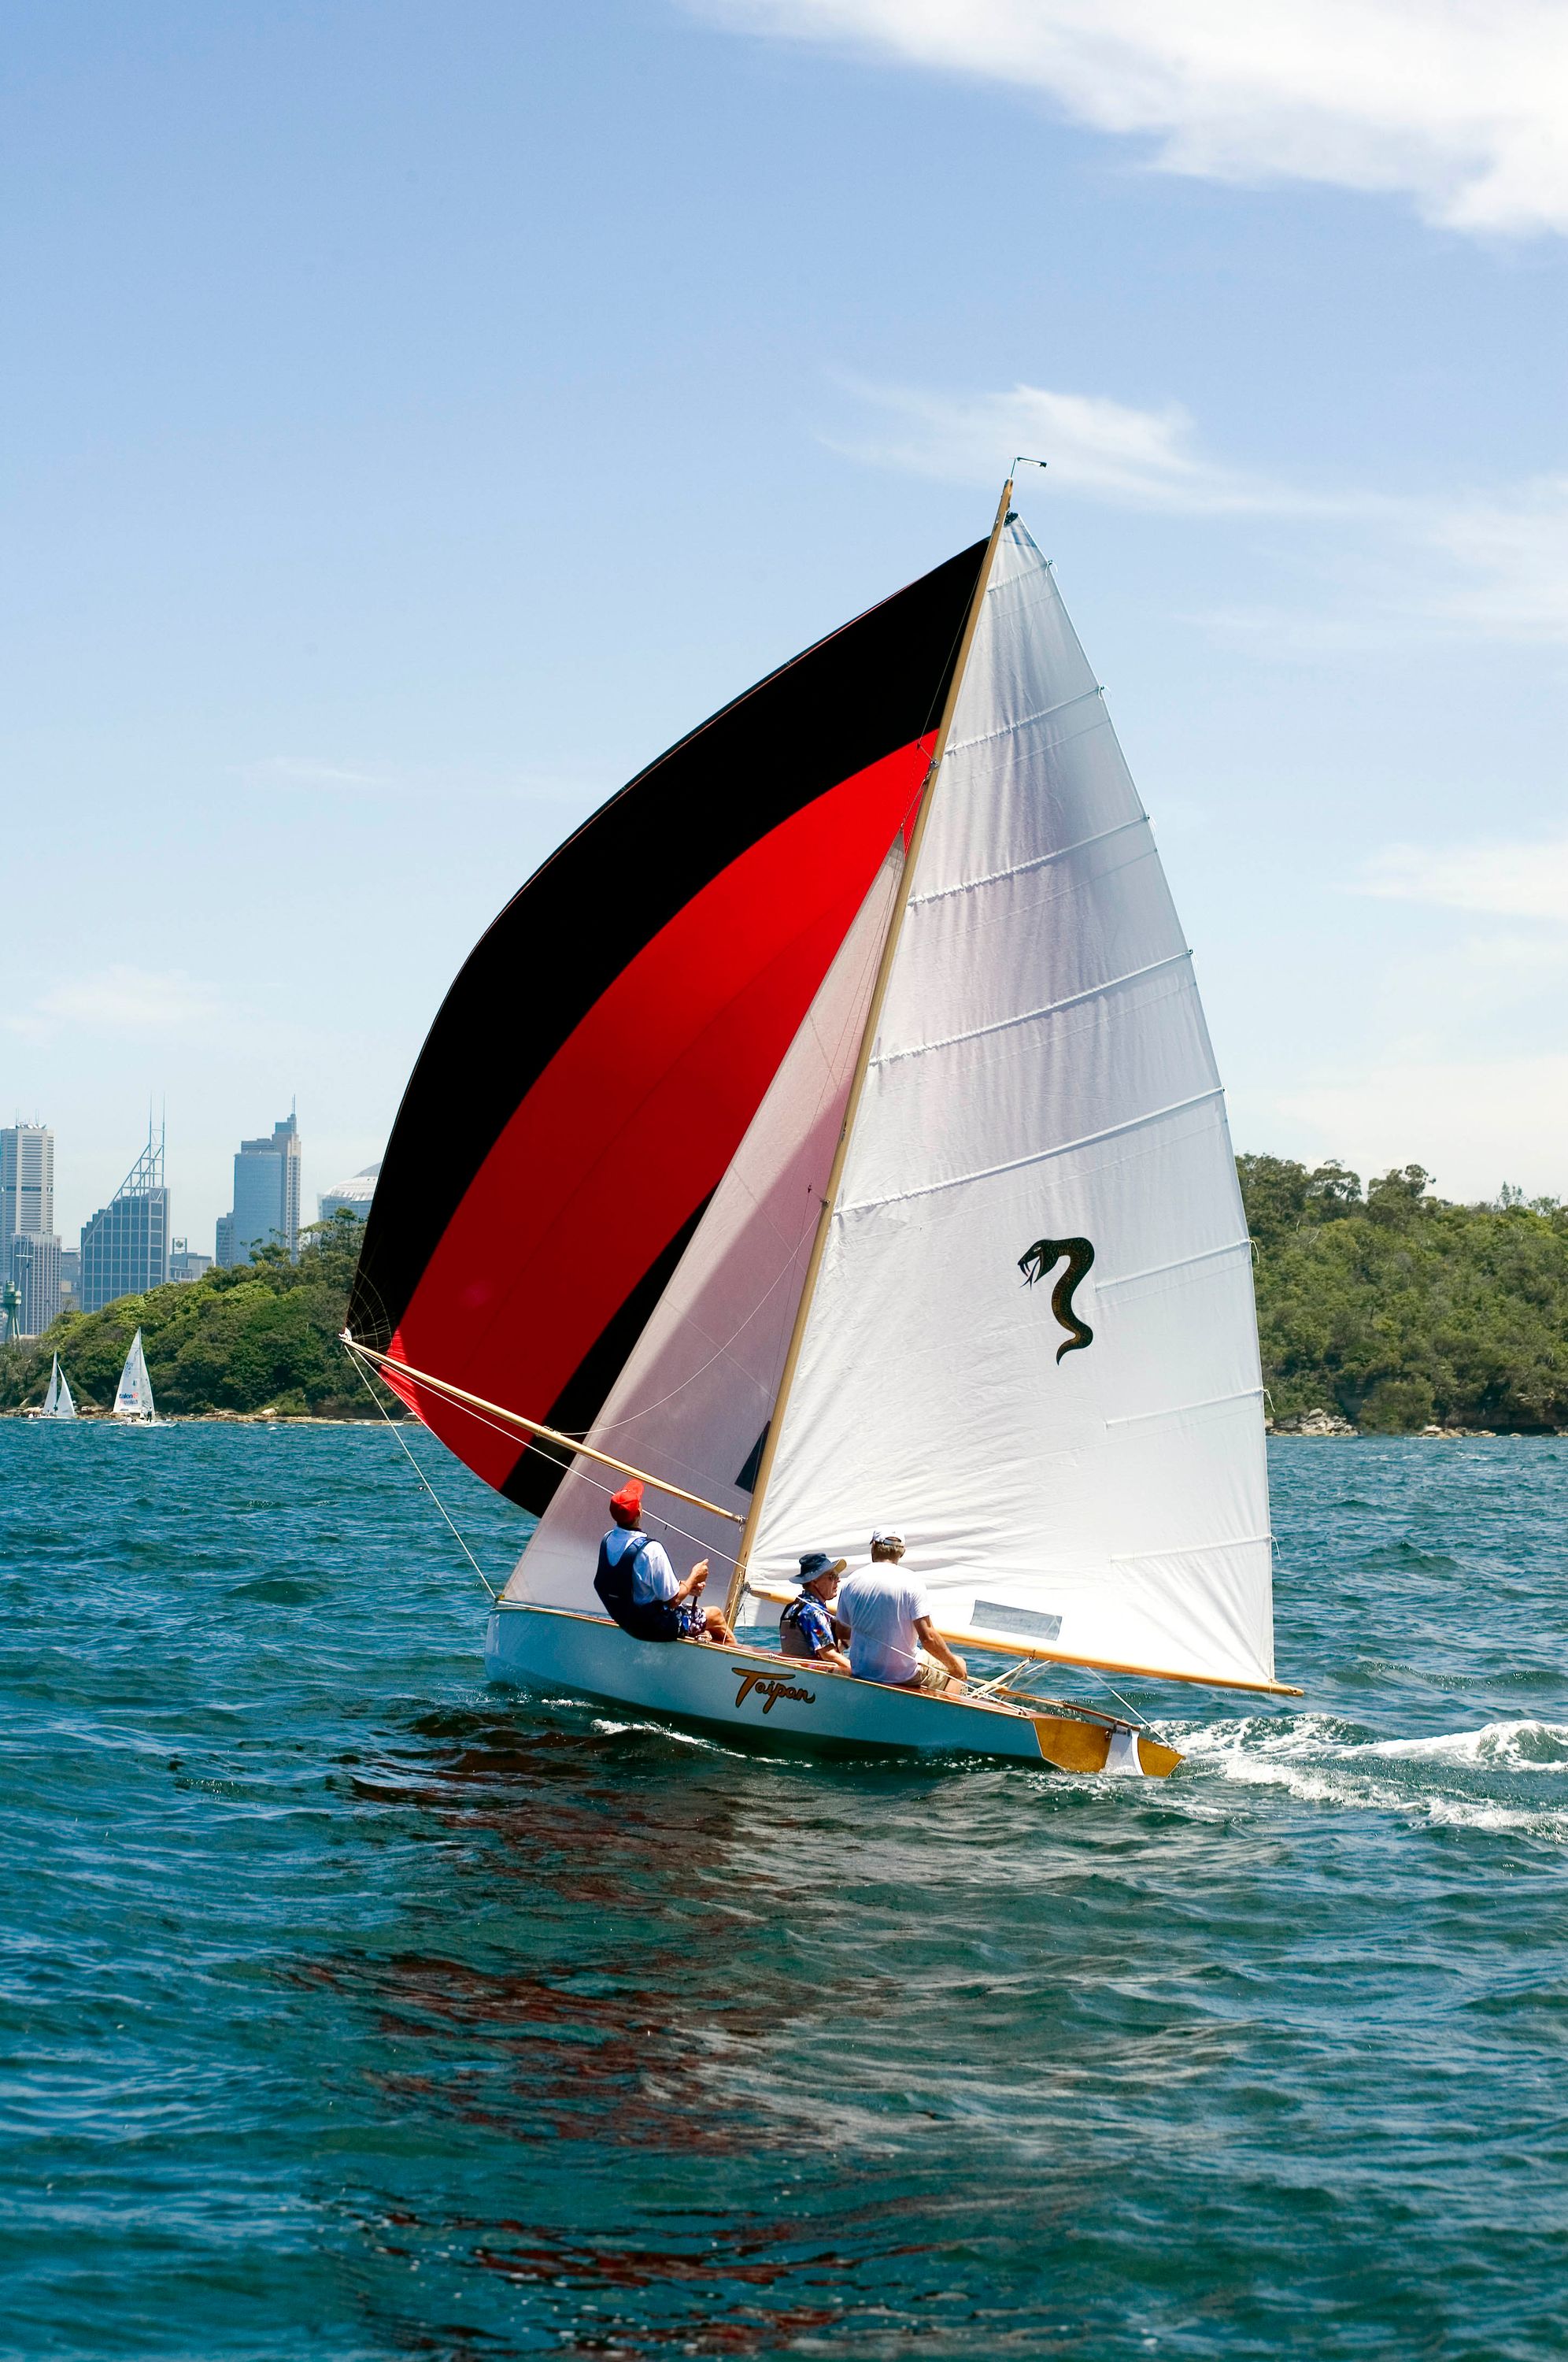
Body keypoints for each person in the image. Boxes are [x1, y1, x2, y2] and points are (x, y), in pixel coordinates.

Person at [593, 1479, 736, 1646]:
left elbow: (638, 1586)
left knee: (699, 1619)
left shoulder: (607, 1539)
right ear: (639, 1511)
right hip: (653, 1628)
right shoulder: (651, 1550)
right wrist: (694, 1577)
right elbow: (674, 1600)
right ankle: (733, 1664)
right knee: (716, 1616)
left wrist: (686, 1586)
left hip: (626, 1620)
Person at [835, 1527, 967, 1691]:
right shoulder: (912, 1581)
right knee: (959, 1664)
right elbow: (928, 1639)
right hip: (903, 1675)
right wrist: (955, 1667)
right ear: (902, 1552)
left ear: (874, 1547)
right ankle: (945, 1715)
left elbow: (842, 1632)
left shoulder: (851, 1580)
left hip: (862, 1670)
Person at [778, 1550, 850, 1671]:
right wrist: (857, 1670)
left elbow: (816, 1645)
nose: (838, 1580)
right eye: (832, 1576)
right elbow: (828, 1655)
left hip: (795, 1677)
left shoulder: (793, 1607)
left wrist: (847, 1640)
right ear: (814, 1581)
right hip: (813, 1679)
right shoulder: (813, 1612)